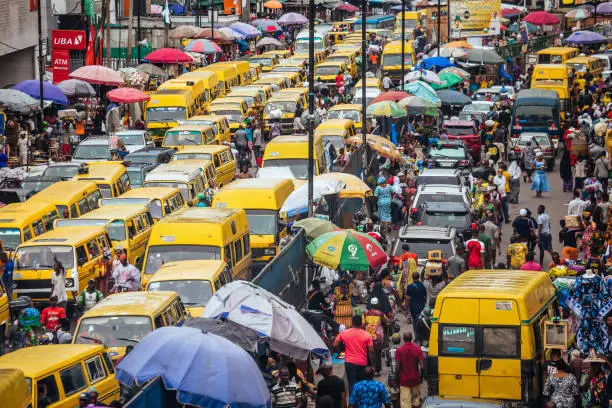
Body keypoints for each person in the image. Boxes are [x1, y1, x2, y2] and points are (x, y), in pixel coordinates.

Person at [334, 315, 375, 392]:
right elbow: (371, 351)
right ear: (361, 324)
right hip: (362, 363)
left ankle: (352, 402)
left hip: (349, 362)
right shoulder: (367, 335)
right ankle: (361, 402)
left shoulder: (344, 333)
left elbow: (335, 344)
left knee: (352, 384)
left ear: (352, 323)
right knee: (362, 384)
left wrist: (341, 352)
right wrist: (372, 365)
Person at [395, 332, 424, 408]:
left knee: (405, 402)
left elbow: (397, 367)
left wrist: (396, 378)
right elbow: (422, 366)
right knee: (416, 400)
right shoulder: (417, 349)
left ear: (403, 339)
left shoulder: (399, 350)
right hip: (415, 379)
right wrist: (421, 377)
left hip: (404, 380)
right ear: (411, 339)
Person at [364, 297, 388, 375]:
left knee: (368, 352)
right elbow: (386, 322)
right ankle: (377, 370)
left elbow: (363, 323)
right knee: (377, 352)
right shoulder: (380, 313)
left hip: (367, 336)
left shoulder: (366, 312)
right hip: (377, 336)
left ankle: (369, 369)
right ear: (378, 304)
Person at [386, 333, 401, 408]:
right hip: (402, 375)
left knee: (393, 395)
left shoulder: (388, 350)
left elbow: (387, 364)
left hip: (392, 376)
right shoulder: (402, 349)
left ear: (392, 341)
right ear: (400, 340)